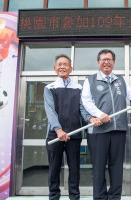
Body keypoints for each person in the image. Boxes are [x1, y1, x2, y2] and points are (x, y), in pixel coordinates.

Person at [81, 49, 131, 200]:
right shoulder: (90, 80)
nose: (106, 62)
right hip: (99, 130)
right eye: (103, 59)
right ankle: (100, 197)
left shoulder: (120, 80)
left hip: (118, 129)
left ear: (113, 62)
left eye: (109, 59)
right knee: (99, 167)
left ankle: (115, 197)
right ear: (98, 62)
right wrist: (99, 114)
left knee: (116, 167)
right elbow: (86, 101)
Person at [44, 54, 101, 200]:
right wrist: (58, 130)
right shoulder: (49, 88)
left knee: (74, 169)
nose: (62, 67)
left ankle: (74, 197)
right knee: (54, 168)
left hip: (74, 135)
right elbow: (50, 111)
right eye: (59, 64)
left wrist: (90, 118)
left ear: (71, 68)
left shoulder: (79, 88)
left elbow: (83, 108)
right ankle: (54, 197)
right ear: (55, 68)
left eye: (65, 64)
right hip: (54, 135)